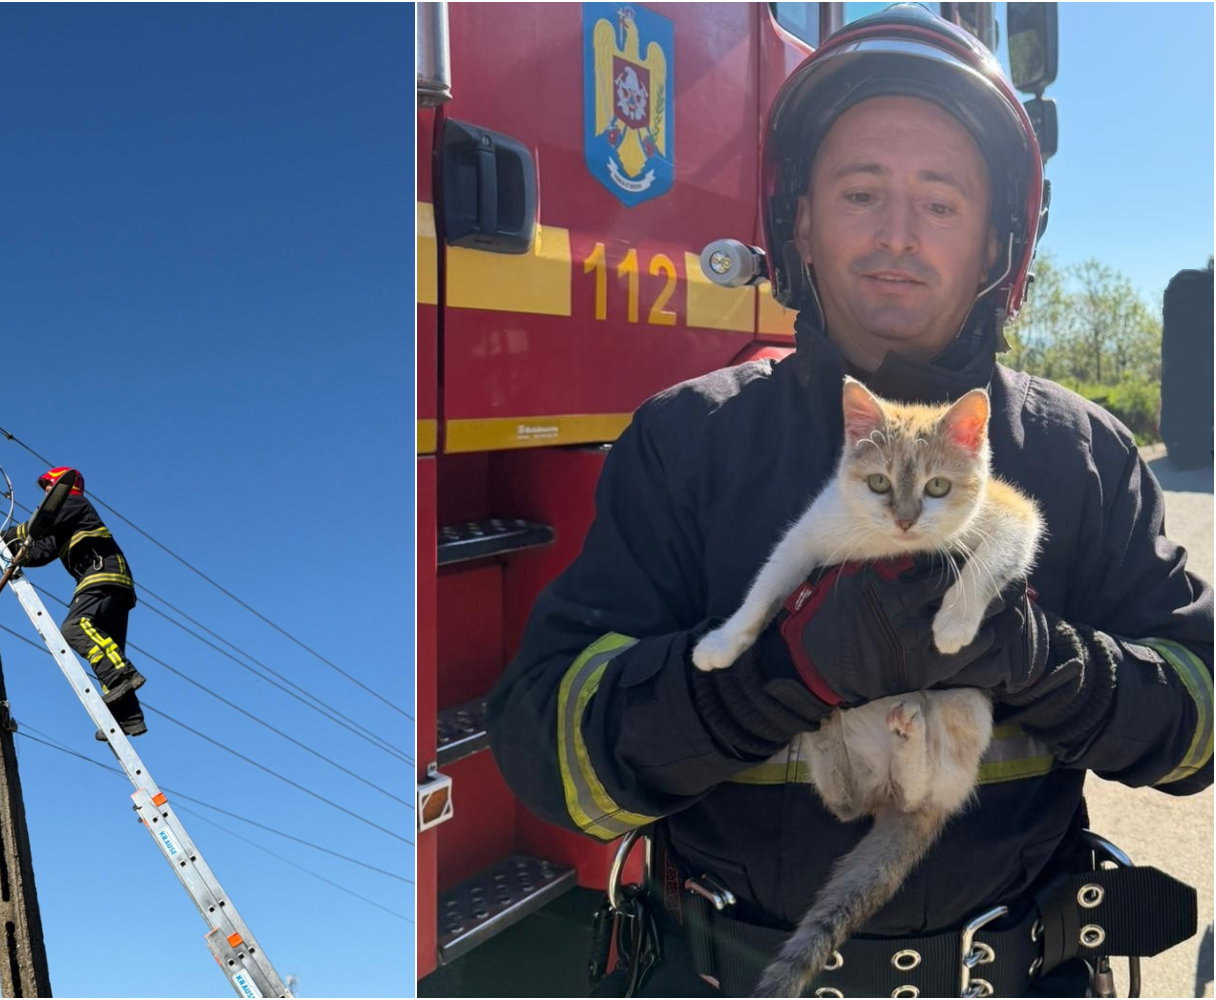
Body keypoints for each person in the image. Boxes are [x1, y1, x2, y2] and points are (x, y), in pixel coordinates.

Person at [487, 7, 1212, 998]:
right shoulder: (688, 441)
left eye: (942, 203)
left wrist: (1050, 665)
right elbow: (549, 756)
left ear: (1000, 238)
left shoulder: (1079, 453)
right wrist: (773, 672)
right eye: (859, 192)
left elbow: (1199, 726)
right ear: (798, 223)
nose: (897, 237)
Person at [4, 466, 147, 739]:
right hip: (111, 580)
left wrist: (11, 533)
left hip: (102, 573)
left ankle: (123, 676)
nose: (46, 491)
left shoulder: (73, 501)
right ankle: (129, 718)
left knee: (75, 627)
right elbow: (40, 552)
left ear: (61, 485)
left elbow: (39, 524)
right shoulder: (63, 523)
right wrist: (12, 551)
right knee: (109, 646)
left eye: (49, 485)